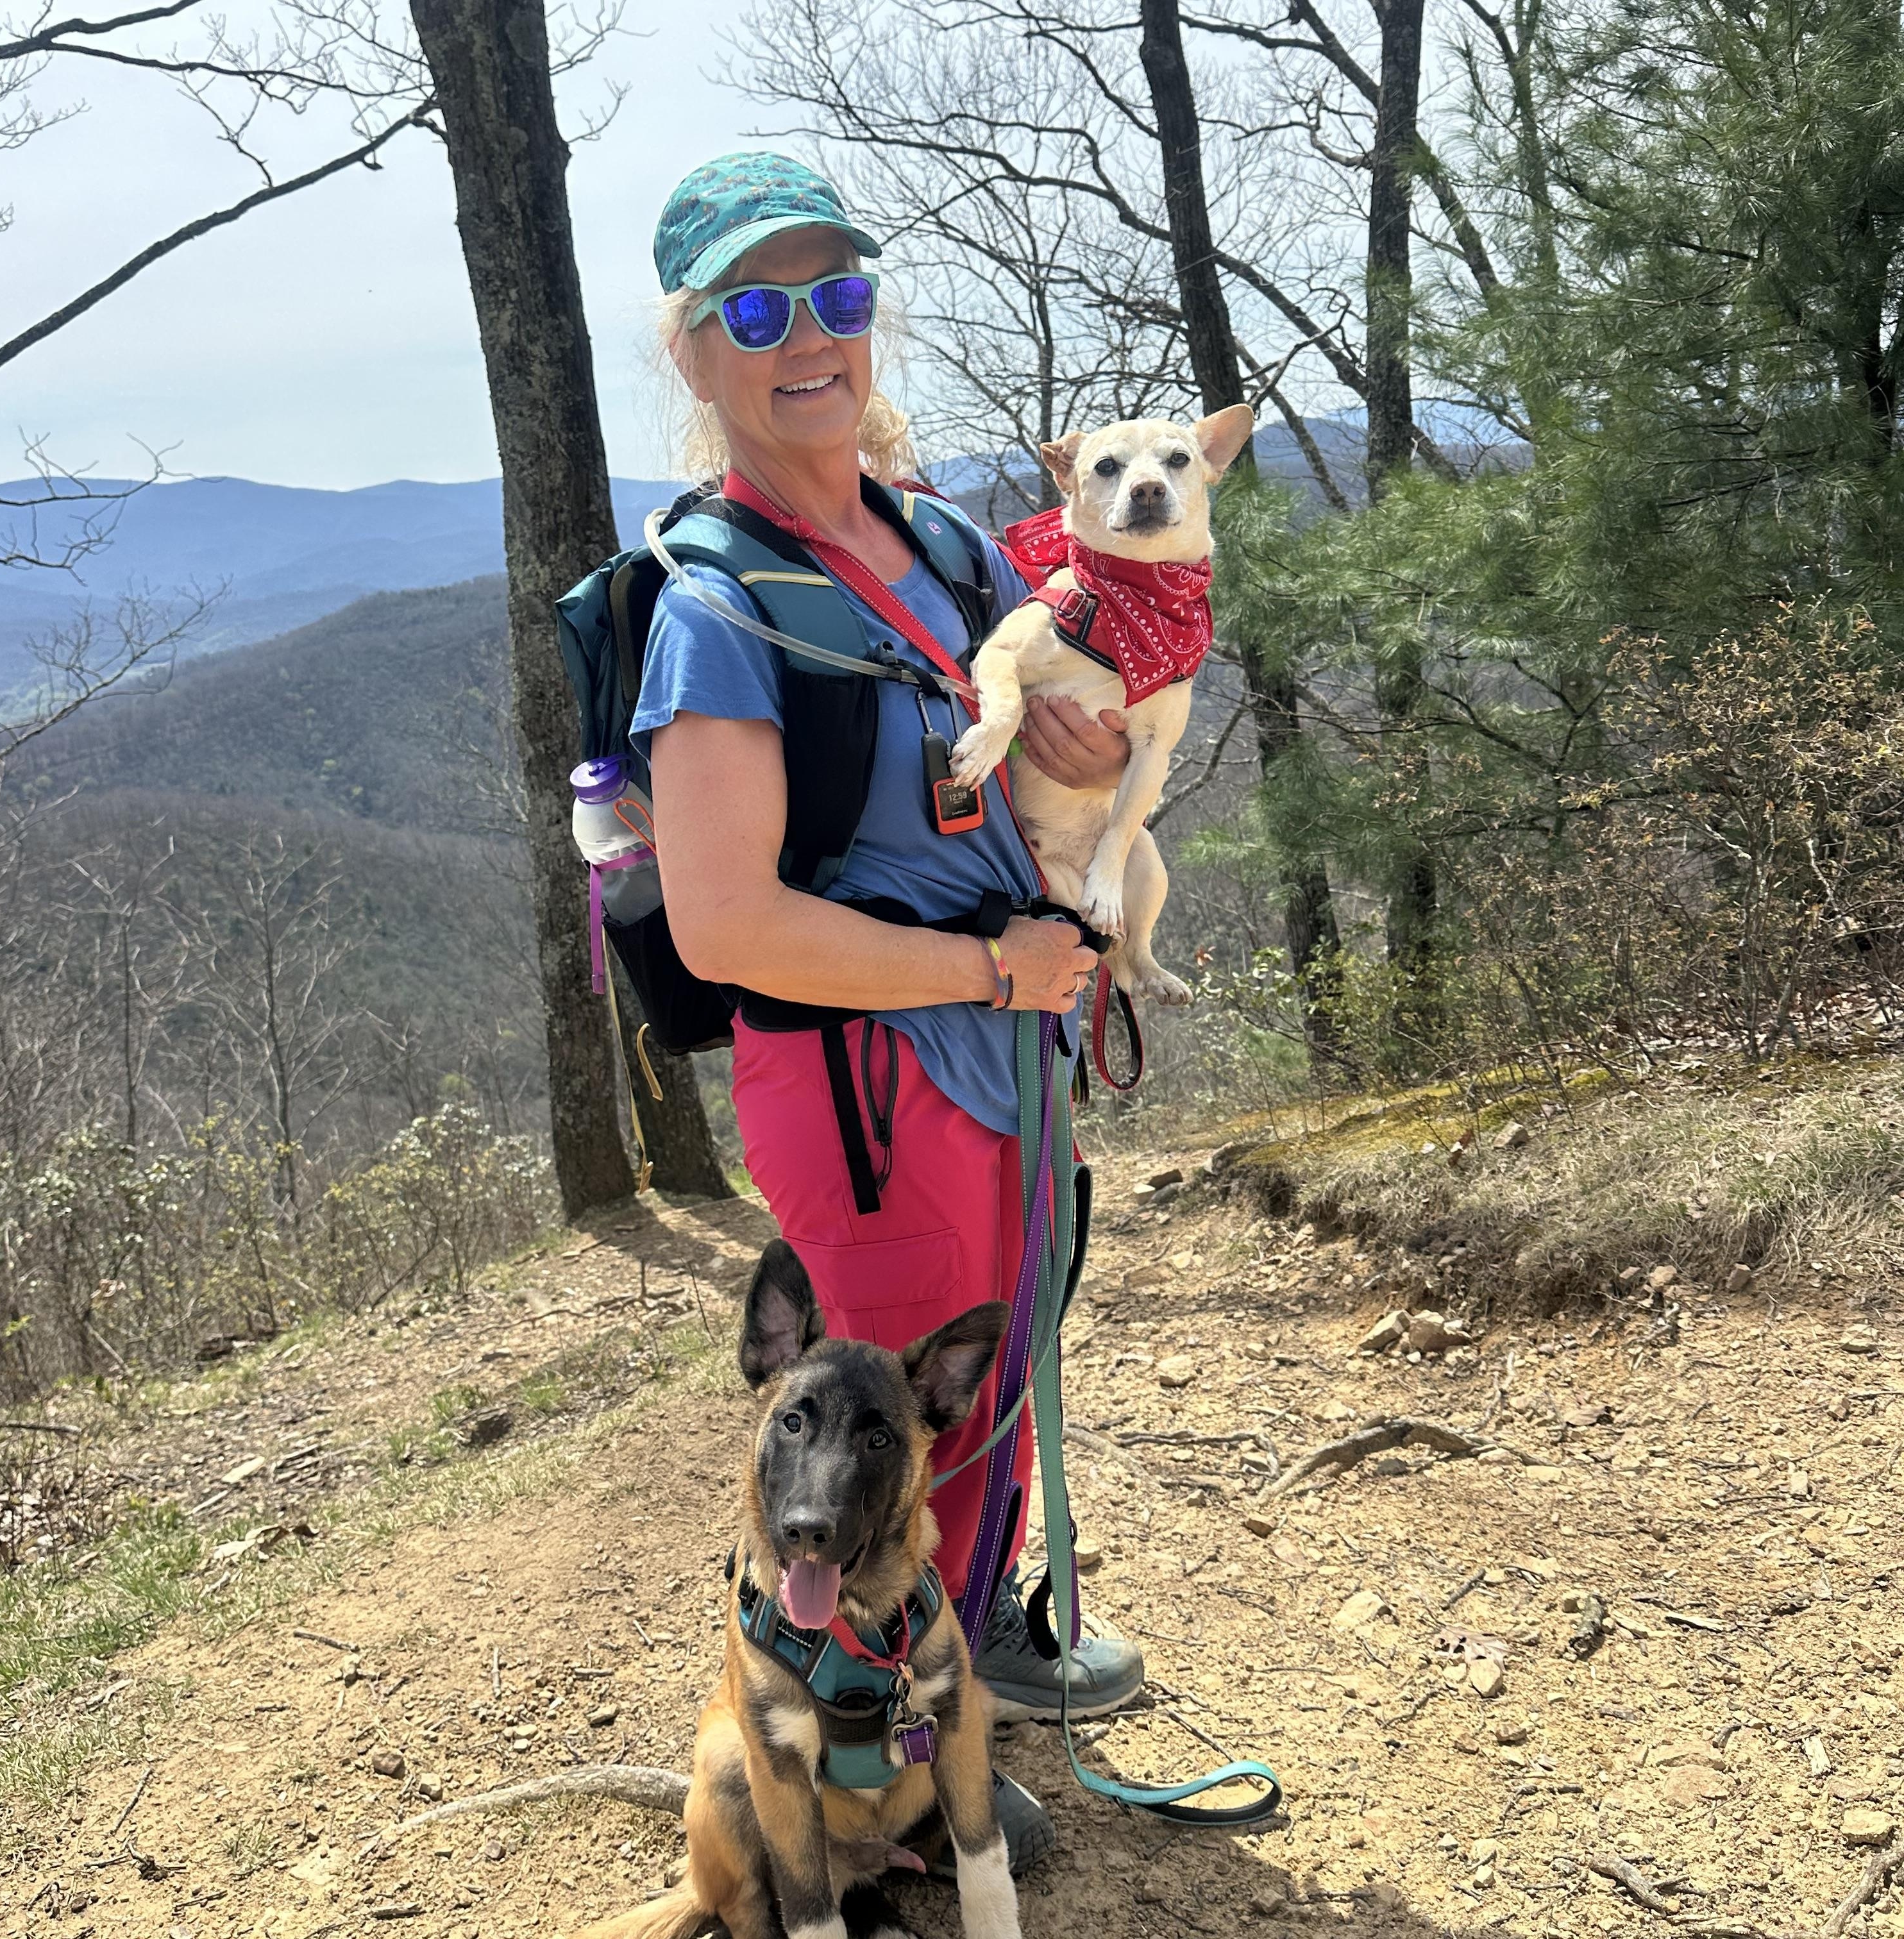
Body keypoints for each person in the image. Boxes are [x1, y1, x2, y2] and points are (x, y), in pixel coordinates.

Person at [635, 151, 1145, 1863]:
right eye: (757, 310)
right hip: (869, 1077)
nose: (810, 337)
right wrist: (985, 968)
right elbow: (724, 922)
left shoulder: (926, 538)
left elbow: (1014, 745)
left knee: (978, 1393)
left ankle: (952, 1675)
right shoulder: (714, 606)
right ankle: (877, 1791)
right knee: (873, 1445)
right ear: (695, 356)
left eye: (837, 296)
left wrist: (1078, 748)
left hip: (1001, 1051)